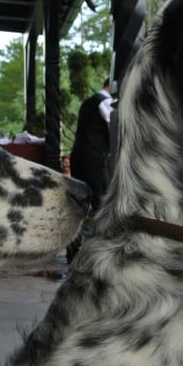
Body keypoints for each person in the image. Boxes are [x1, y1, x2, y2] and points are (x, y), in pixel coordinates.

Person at [66, 78, 114, 263]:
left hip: (78, 156)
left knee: (81, 202)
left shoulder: (88, 102)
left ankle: (73, 251)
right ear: (111, 86)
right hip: (94, 158)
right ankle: (95, 253)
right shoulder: (105, 102)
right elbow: (115, 127)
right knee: (99, 203)